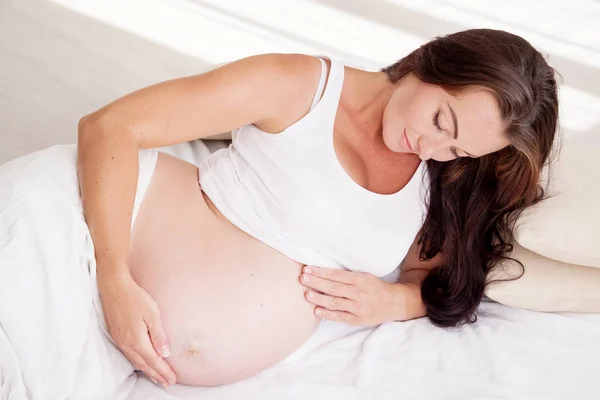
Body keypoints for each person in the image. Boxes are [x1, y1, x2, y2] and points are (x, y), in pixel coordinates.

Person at [1, 28, 558, 394]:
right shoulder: (301, 87)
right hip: (82, 249)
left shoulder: (439, 178)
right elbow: (111, 126)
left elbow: (438, 283)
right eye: (442, 121)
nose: (434, 149)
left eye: (459, 150)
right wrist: (115, 280)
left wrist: (395, 300)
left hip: (134, 341)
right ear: (432, 63)